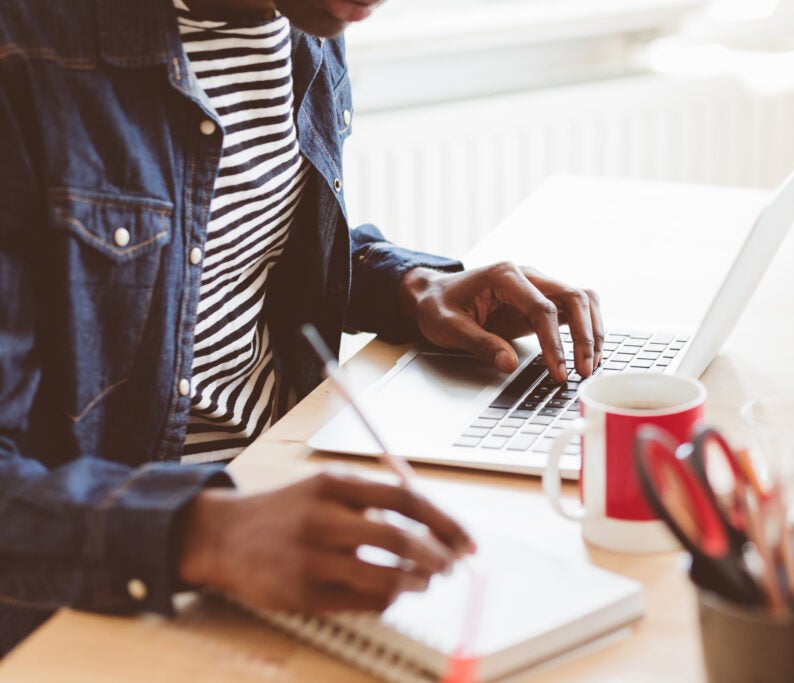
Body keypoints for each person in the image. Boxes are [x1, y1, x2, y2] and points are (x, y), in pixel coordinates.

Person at [0, 0, 605, 654]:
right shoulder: (25, 50)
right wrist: (205, 532)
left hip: (285, 494)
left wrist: (409, 286)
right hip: (118, 588)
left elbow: (228, 253)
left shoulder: (309, 22)